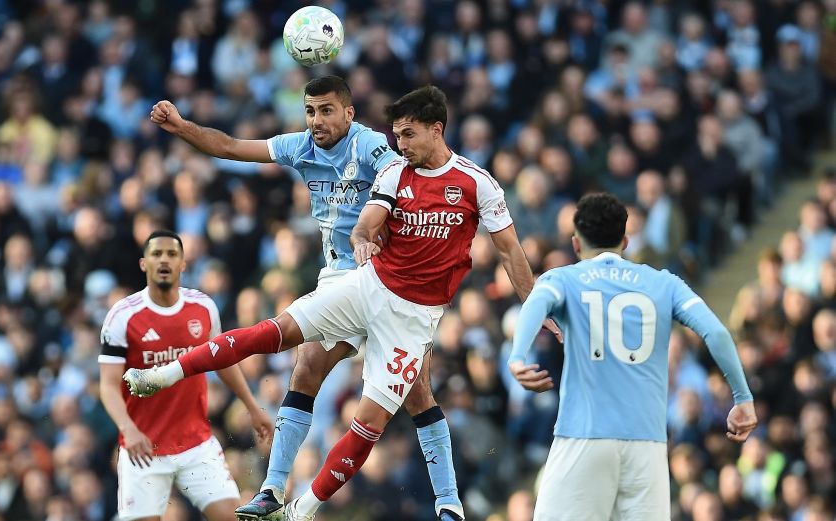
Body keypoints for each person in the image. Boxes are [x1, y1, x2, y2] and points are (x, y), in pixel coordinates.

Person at [129, 85, 541, 521]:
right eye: (310, 111)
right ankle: (272, 488)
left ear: (349, 113)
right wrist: (182, 128)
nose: (316, 120)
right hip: (352, 277)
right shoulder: (305, 147)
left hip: (403, 293)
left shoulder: (380, 151)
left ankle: (445, 502)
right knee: (304, 363)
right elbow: (231, 147)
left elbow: (409, 181)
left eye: (326, 111)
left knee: (415, 394)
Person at [507, 193, 758, 520]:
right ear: (625, 240)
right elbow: (718, 333)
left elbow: (536, 302)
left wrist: (517, 356)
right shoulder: (665, 283)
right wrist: (742, 397)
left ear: (575, 244)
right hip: (648, 446)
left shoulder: (563, 279)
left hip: (584, 436)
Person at [99, 230, 274, 521]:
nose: (164, 260)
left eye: (172, 254)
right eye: (157, 254)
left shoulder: (203, 307)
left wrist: (253, 407)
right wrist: (128, 429)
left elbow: (223, 361)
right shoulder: (123, 316)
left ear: (183, 263)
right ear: (144, 263)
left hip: (196, 444)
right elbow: (107, 385)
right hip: (144, 448)